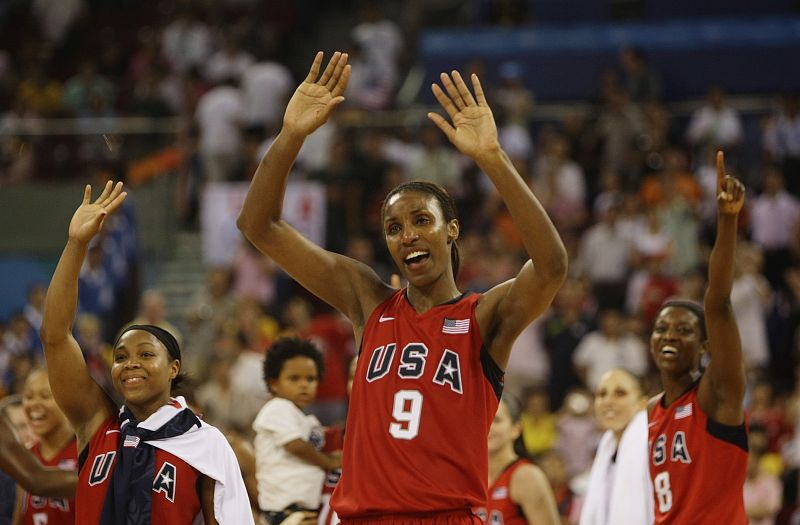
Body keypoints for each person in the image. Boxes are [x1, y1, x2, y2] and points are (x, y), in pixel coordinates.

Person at [237, 51, 567, 521]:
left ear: (451, 229)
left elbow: (552, 266)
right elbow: (259, 225)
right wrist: (291, 136)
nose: (406, 234)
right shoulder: (368, 300)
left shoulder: (484, 315)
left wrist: (493, 159)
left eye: (421, 220)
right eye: (393, 228)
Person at [39, 181, 253, 525]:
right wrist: (77, 245)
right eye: (121, 357)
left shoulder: (205, 443)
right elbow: (55, 336)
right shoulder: (98, 424)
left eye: (145, 354)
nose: (130, 364)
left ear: (174, 368)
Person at [648, 151, 748, 524]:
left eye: (684, 329)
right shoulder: (649, 413)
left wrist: (727, 220)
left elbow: (718, 304)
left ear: (705, 347)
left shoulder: (716, 393)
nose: (669, 335)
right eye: (662, 328)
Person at [252, 337, 341, 525]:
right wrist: (328, 461)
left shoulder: (305, 419)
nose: (304, 384)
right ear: (274, 383)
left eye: (311, 379)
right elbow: (296, 446)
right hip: (284, 512)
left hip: (303, 509)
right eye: (294, 378)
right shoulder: (278, 407)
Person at [580, 368, 652, 525]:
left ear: (642, 403)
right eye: (602, 394)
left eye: (620, 393)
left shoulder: (653, 442)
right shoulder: (606, 445)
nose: (608, 401)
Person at [476, 397, 559, 525]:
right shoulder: (467, 476)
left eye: (496, 420)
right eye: (483, 418)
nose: (488, 426)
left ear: (516, 429)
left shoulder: (527, 476)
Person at [12, 369, 78, 525]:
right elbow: (20, 516)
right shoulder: (25, 456)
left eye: (45, 396)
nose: (34, 404)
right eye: (28, 396)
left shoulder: (88, 452)